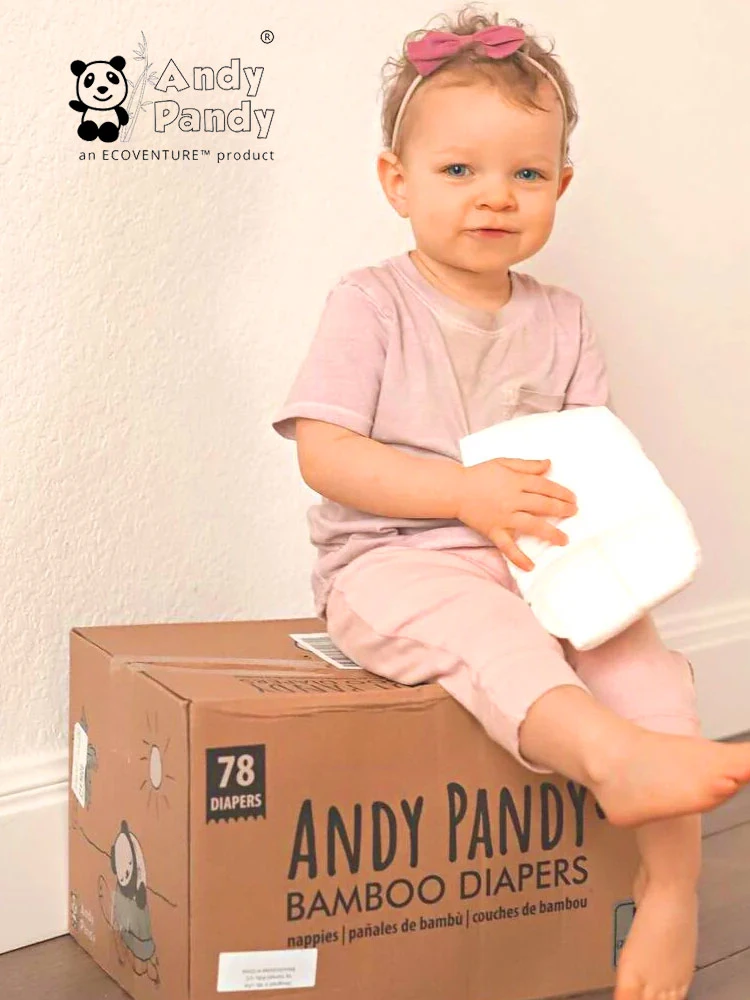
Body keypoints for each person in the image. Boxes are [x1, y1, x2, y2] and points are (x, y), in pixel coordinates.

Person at [271, 7, 750, 998]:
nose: (495, 197)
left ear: (560, 187)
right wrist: (461, 493)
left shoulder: (561, 320)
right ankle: (606, 755)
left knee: (644, 663)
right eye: (459, 171)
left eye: (526, 175)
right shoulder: (369, 304)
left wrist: (603, 559)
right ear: (395, 182)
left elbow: (592, 461)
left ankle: (669, 887)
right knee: (491, 632)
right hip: (399, 562)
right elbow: (324, 452)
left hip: (539, 554)